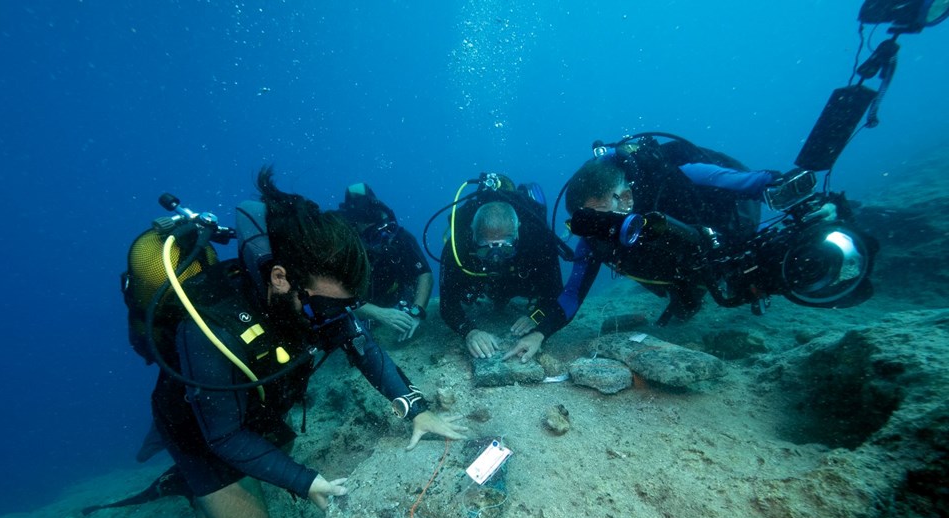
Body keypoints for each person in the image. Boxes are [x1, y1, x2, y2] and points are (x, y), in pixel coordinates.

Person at [129, 166, 467, 518]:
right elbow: (223, 436)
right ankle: (190, 485)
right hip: (198, 426)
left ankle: (234, 479)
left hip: (250, 404)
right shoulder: (210, 328)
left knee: (277, 448)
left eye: (349, 304)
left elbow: (364, 347)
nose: (341, 316)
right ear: (280, 277)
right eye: (331, 305)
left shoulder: (320, 303)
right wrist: (304, 482)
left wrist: (415, 409)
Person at [505, 134, 842, 362]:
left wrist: (787, 190)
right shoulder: (593, 239)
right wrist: (540, 334)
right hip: (675, 270)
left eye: (600, 216)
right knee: (682, 301)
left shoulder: (675, 177)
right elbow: (572, 294)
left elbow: (747, 182)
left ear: (626, 196)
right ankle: (686, 295)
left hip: (719, 235)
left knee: (750, 271)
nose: (597, 230)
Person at [438, 174, 563, 358]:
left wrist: (536, 316)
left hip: (521, 280)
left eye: (505, 249)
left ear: (517, 233)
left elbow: (555, 292)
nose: (495, 258)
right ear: (473, 235)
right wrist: (469, 332)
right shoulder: (457, 246)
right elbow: (447, 304)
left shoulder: (539, 240)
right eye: (486, 249)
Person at [337, 183, 433, 342]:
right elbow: (333, 294)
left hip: (395, 298)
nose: (367, 227)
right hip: (356, 308)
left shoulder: (399, 237)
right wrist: (379, 314)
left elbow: (424, 274)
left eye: (370, 219)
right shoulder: (341, 245)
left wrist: (416, 312)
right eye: (360, 220)